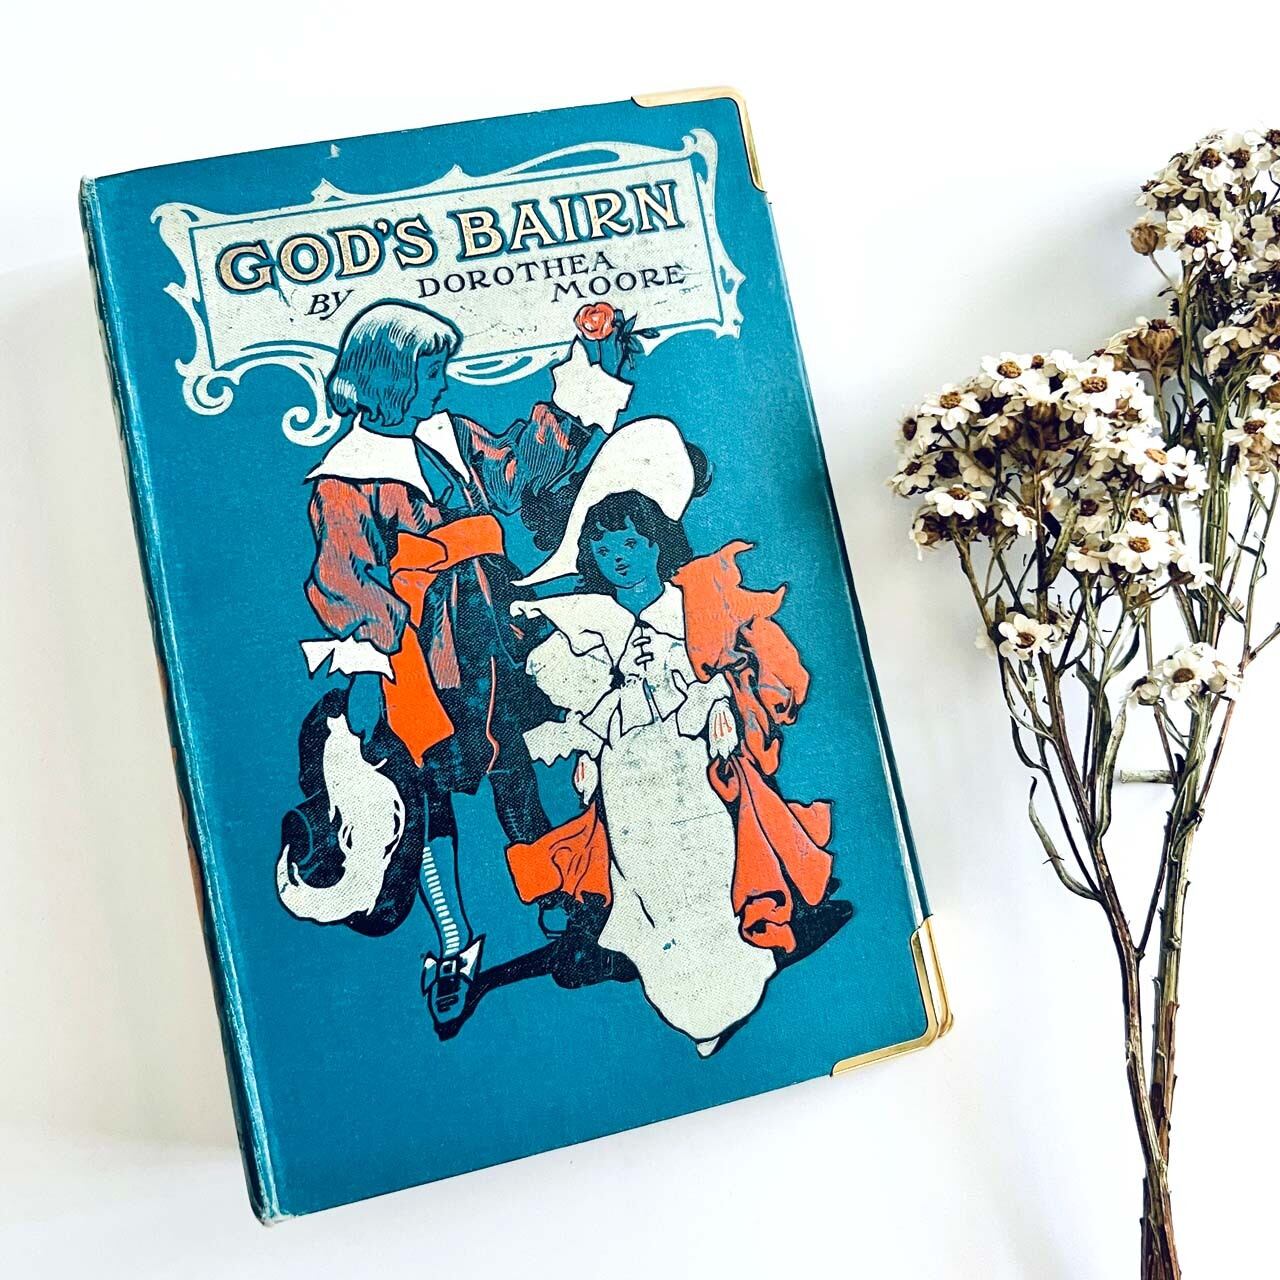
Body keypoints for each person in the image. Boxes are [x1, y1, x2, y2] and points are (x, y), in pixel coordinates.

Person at [293, 299, 633, 1035]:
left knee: (520, 768)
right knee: (423, 797)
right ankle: (453, 943)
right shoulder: (345, 480)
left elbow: (514, 475)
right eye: (430, 373)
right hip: (418, 659)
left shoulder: (447, 433)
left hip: (493, 635)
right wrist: (382, 654)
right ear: (389, 381)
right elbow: (342, 580)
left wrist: (585, 380)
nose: (444, 384)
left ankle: (562, 898)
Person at [504, 419, 837, 1055]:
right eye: (604, 548)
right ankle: (681, 998)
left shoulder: (696, 606)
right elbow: (577, 701)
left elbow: (738, 672)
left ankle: (733, 981)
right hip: (627, 775)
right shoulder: (580, 620)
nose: (618, 558)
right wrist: (586, 744)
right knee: (648, 882)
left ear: (657, 543)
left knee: (709, 871)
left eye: (630, 543)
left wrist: (721, 706)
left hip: (693, 767)